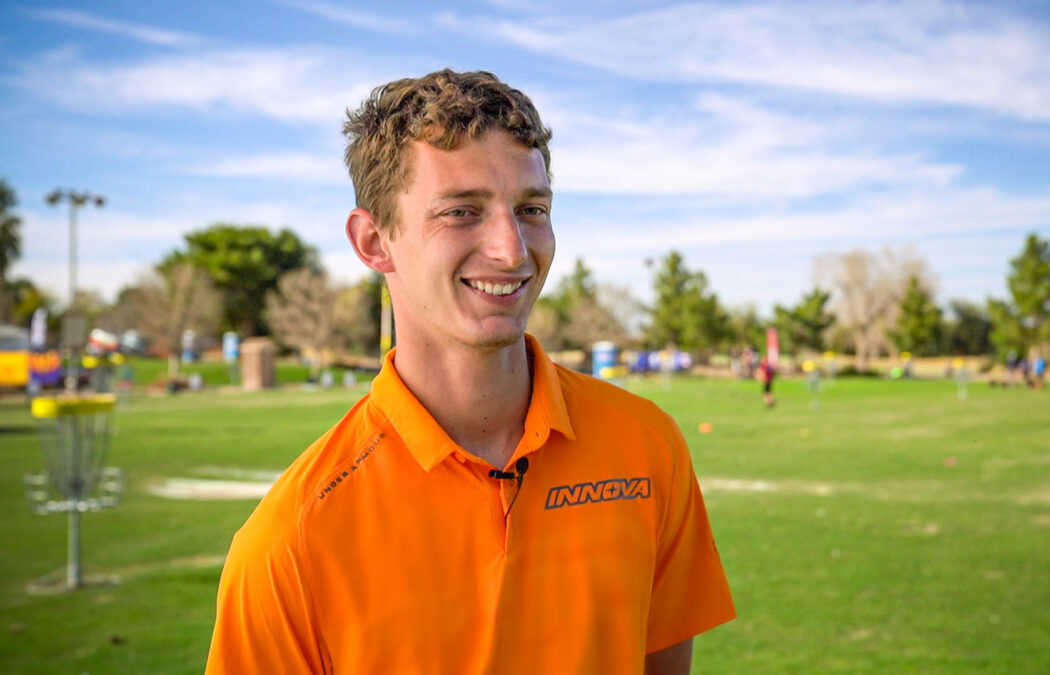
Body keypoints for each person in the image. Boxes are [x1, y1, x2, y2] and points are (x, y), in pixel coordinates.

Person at [204, 70, 735, 674]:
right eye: (462, 211)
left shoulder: (647, 446)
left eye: (531, 209)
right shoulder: (291, 539)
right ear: (374, 240)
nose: (512, 250)